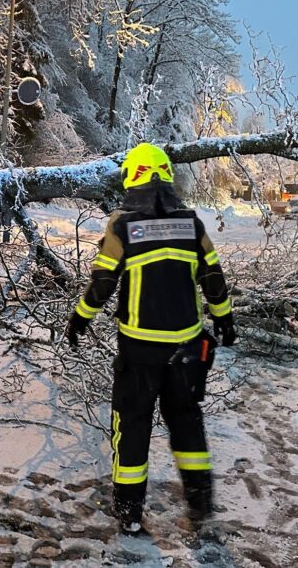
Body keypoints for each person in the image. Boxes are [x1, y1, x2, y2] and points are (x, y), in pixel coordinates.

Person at [67, 142, 236, 534]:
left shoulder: (122, 224)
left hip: (139, 351)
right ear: (166, 177)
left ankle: (129, 515)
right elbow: (212, 276)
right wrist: (224, 320)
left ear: (134, 176)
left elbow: (104, 280)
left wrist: (80, 318)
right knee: (187, 424)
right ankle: (200, 507)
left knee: (133, 425)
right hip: (188, 349)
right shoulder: (191, 222)